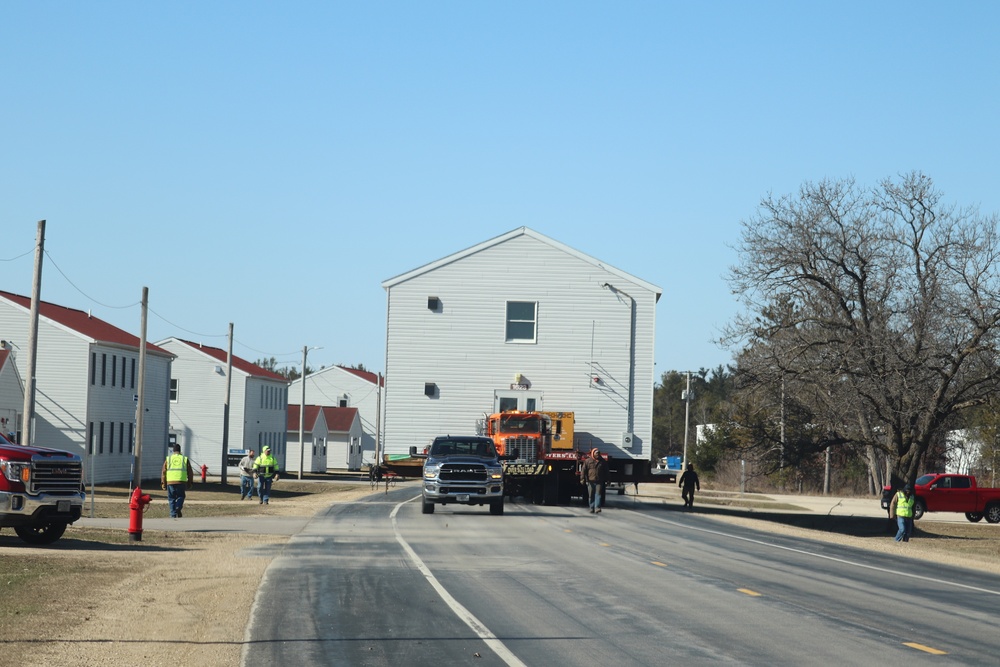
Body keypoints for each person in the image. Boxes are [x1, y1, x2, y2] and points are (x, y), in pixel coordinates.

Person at [161, 443, 193, 518]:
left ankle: (172, 514)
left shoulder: (168, 459)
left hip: (170, 481)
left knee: (171, 498)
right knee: (181, 496)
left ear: (173, 450)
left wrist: (163, 483)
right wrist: (190, 483)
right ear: (180, 450)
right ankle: (178, 506)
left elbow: (163, 472)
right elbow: (190, 472)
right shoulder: (184, 459)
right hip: (181, 481)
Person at [581, 447, 608, 514]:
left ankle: (597, 508)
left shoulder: (603, 461)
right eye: (596, 453)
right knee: (591, 495)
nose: (597, 454)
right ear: (593, 453)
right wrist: (582, 479)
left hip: (599, 481)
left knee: (598, 494)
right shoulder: (587, 461)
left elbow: (607, 471)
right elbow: (583, 471)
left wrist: (608, 480)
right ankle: (591, 508)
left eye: (598, 453)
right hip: (590, 481)